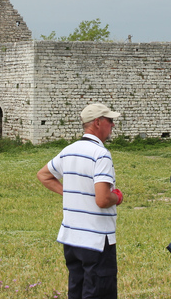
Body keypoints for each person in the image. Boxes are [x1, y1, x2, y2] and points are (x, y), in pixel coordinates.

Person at [37, 103, 124, 299]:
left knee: (76, 291)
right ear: (97, 122)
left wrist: (70, 193)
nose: (112, 125)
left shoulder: (69, 150)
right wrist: (117, 197)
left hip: (72, 238)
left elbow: (44, 175)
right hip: (97, 241)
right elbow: (102, 199)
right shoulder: (100, 154)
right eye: (110, 120)